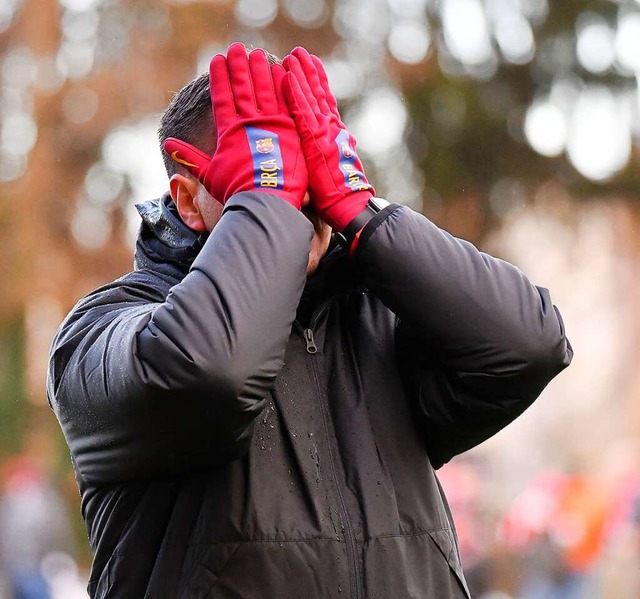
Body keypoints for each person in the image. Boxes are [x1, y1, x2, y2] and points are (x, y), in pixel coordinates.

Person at [47, 43, 572, 598]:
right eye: (271, 179)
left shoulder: (379, 325)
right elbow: (212, 372)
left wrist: (365, 217)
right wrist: (268, 200)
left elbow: (530, 345)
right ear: (187, 201)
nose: (302, 205)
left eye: (310, 174)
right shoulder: (100, 331)